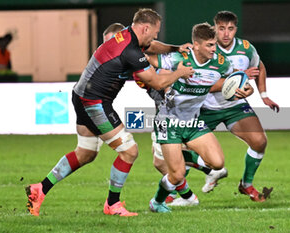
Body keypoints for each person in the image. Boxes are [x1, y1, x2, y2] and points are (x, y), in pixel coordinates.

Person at [25, 8, 194, 217]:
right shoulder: (130, 51)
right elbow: (157, 81)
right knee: (129, 151)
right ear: (145, 28)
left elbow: (151, 45)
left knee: (85, 153)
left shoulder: (126, 35)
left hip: (81, 95)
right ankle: (112, 204)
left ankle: (40, 189)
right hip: (94, 102)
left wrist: (176, 48)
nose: (156, 36)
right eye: (155, 32)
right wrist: (180, 73)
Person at [103, 22, 204, 207]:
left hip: (171, 107)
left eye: (112, 42)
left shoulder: (136, 54)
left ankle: (206, 171)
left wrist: (171, 89)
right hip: (164, 105)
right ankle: (187, 194)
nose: (109, 48)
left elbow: (162, 69)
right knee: (160, 160)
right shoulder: (127, 57)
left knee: (165, 158)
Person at [148, 22, 238, 213]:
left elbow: (236, 79)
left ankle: (177, 159)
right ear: (196, 45)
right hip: (168, 121)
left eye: (214, 44)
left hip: (193, 121)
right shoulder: (180, 58)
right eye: (209, 45)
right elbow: (149, 59)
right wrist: (177, 73)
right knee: (177, 173)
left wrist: (243, 89)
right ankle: (156, 202)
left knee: (218, 162)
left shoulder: (221, 63)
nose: (214, 49)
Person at [199, 11, 279, 201]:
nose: (226, 34)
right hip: (205, 108)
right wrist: (236, 77)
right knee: (182, 149)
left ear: (236, 29)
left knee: (259, 142)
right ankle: (171, 191)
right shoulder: (206, 49)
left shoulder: (245, 48)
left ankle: (246, 184)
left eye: (230, 29)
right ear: (214, 28)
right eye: (221, 29)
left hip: (235, 107)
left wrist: (264, 96)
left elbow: (259, 67)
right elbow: (202, 81)